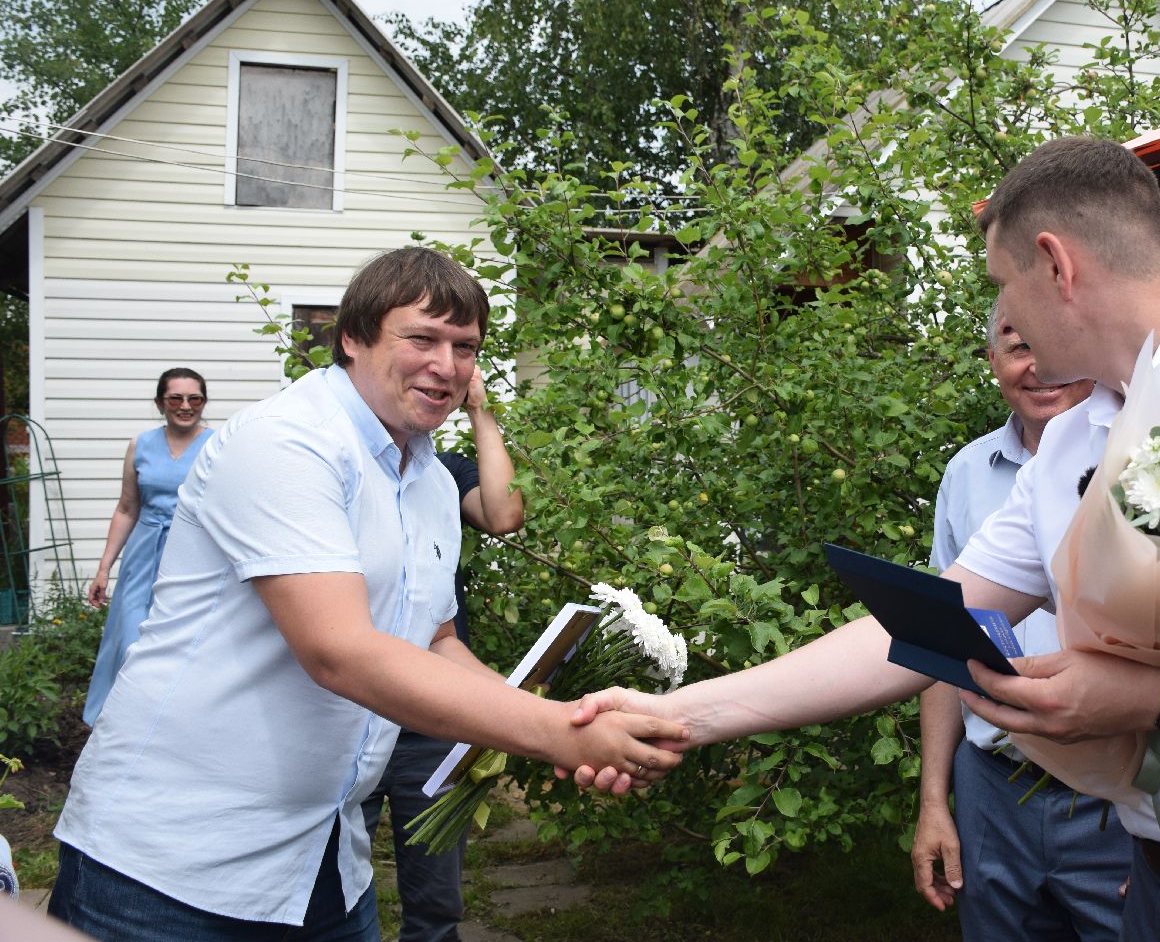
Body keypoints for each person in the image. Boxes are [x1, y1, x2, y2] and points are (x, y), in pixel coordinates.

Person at [570, 138, 1160, 942]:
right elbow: (929, 626)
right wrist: (683, 714)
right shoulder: (1075, 442)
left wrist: (1156, 696)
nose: (1004, 315)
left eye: (1002, 283)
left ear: (1055, 264)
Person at [48, 247, 687, 941]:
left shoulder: (433, 481)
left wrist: (563, 717)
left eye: (465, 346)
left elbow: (437, 640)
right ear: (352, 338)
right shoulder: (286, 443)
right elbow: (339, 652)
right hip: (170, 865)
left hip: (323, 858)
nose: (447, 365)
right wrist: (561, 736)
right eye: (422, 338)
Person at [911, 300, 1130, 937]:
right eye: (1015, 345)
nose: (1038, 366)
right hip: (994, 787)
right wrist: (935, 801)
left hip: (1113, 790)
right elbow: (939, 642)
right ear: (992, 363)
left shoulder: (1143, 462)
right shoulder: (967, 472)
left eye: (1050, 344)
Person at [362, 367, 523, 942]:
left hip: (430, 704)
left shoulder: (440, 474)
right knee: (322, 889)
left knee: (435, 893)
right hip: (348, 704)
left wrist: (481, 408)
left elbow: (504, 514)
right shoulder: (341, 467)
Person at [82, 367, 213, 726]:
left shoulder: (219, 444)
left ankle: (171, 726)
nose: (185, 406)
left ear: (203, 403)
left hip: (192, 556)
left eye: (194, 399)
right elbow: (127, 507)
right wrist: (104, 567)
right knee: (129, 639)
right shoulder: (140, 444)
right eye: (176, 398)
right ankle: (120, 722)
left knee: (180, 644)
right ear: (160, 403)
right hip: (143, 556)